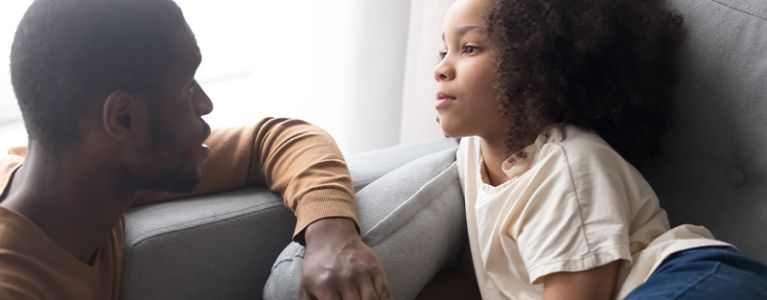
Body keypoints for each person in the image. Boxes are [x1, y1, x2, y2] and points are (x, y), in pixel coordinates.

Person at [0, 0, 392, 299]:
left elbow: (276, 138)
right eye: (187, 86)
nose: (205, 104)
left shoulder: (79, 179)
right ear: (122, 118)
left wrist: (331, 235)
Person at [424, 0, 767, 299]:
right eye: (444, 51)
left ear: (533, 60)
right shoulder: (472, 156)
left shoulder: (571, 166)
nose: (441, 69)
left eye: (469, 48)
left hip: (700, 279)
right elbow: (477, 282)